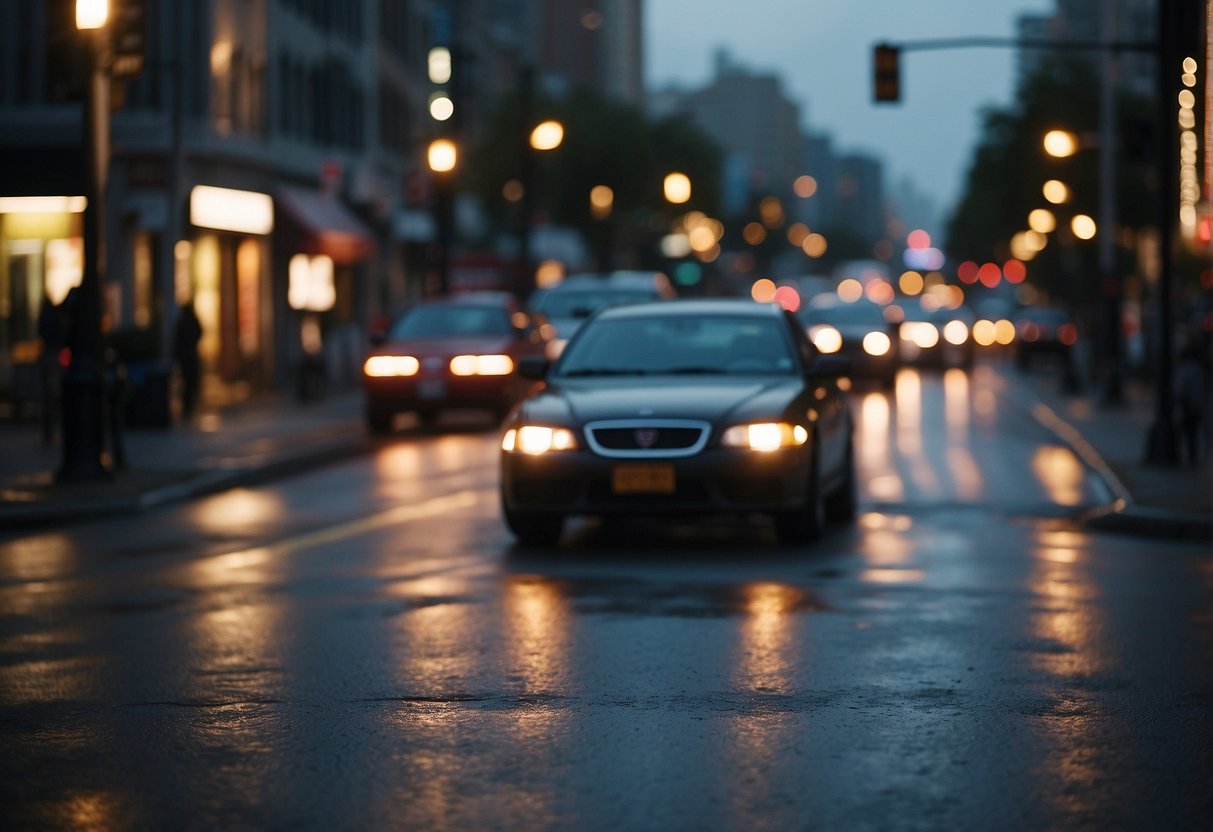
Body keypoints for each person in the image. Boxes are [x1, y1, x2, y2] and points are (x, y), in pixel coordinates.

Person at [1173, 339, 1209, 465]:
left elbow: (1179, 388)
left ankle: (1186, 456)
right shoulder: (1199, 370)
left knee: (1185, 432)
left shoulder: (1185, 370)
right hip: (1195, 405)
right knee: (1192, 433)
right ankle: (1191, 457)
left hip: (1187, 405)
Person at [36, 293, 65, 444]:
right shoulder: (55, 316)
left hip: (49, 354)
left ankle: (48, 432)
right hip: (53, 355)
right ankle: (50, 431)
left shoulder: (45, 316)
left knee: (49, 396)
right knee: (53, 395)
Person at [172, 299, 203, 419]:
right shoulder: (191, 321)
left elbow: (176, 341)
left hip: (184, 357)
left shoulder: (182, 322)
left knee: (187, 382)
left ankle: (187, 406)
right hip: (190, 356)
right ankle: (188, 406)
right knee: (190, 382)